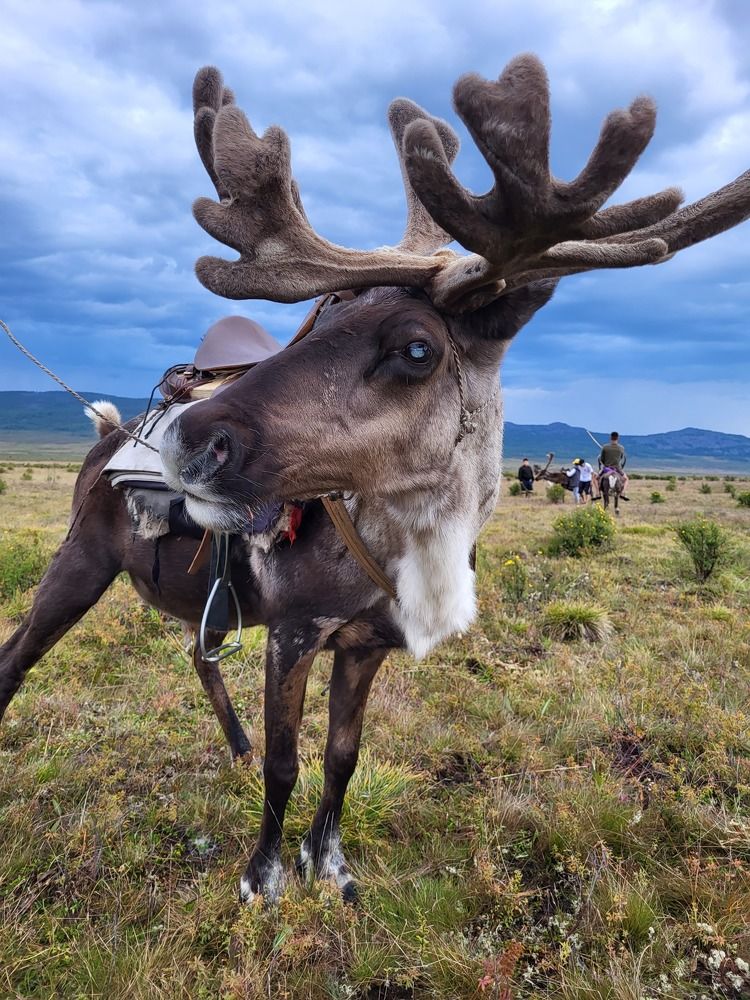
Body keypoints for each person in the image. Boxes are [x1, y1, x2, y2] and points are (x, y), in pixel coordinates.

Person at [598, 432, 629, 499]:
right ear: (618, 438)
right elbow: (621, 458)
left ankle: (598, 493)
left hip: (606, 468)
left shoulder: (605, 447)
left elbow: (602, 459)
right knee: (626, 479)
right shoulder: (621, 448)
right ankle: (623, 493)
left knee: (596, 478)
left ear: (610, 438)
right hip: (617, 469)